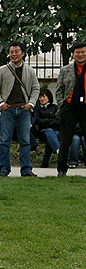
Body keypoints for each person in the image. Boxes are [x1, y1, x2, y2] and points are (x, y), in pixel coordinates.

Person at [0, 42, 40, 177]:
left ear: (22, 53)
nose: (14, 54)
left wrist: (31, 103)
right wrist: (1, 104)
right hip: (8, 110)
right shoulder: (2, 70)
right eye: (11, 52)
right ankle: (4, 169)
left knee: (25, 141)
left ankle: (26, 169)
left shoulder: (30, 70)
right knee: (5, 141)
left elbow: (36, 88)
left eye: (17, 51)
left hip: (24, 110)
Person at [54, 41, 86, 176]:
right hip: (69, 107)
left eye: (83, 52)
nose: (81, 55)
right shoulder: (65, 70)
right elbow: (58, 90)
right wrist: (62, 104)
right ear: (73, 54)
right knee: (65, 140)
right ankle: (62, 169)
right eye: (78, 52)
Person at [32, 89, 60, 168]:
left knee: (51, 136)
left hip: (54, 132)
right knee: (49, 132)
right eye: (40, 97)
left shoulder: (54, 107)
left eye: (44, 96)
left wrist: (46, 121)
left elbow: (58, 120)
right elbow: (38, 120)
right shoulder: (37, 109)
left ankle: (45, 162)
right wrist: (51, 120)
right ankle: (58, 150)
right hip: (42, 132)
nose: (42, 99)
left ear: (49, 97)